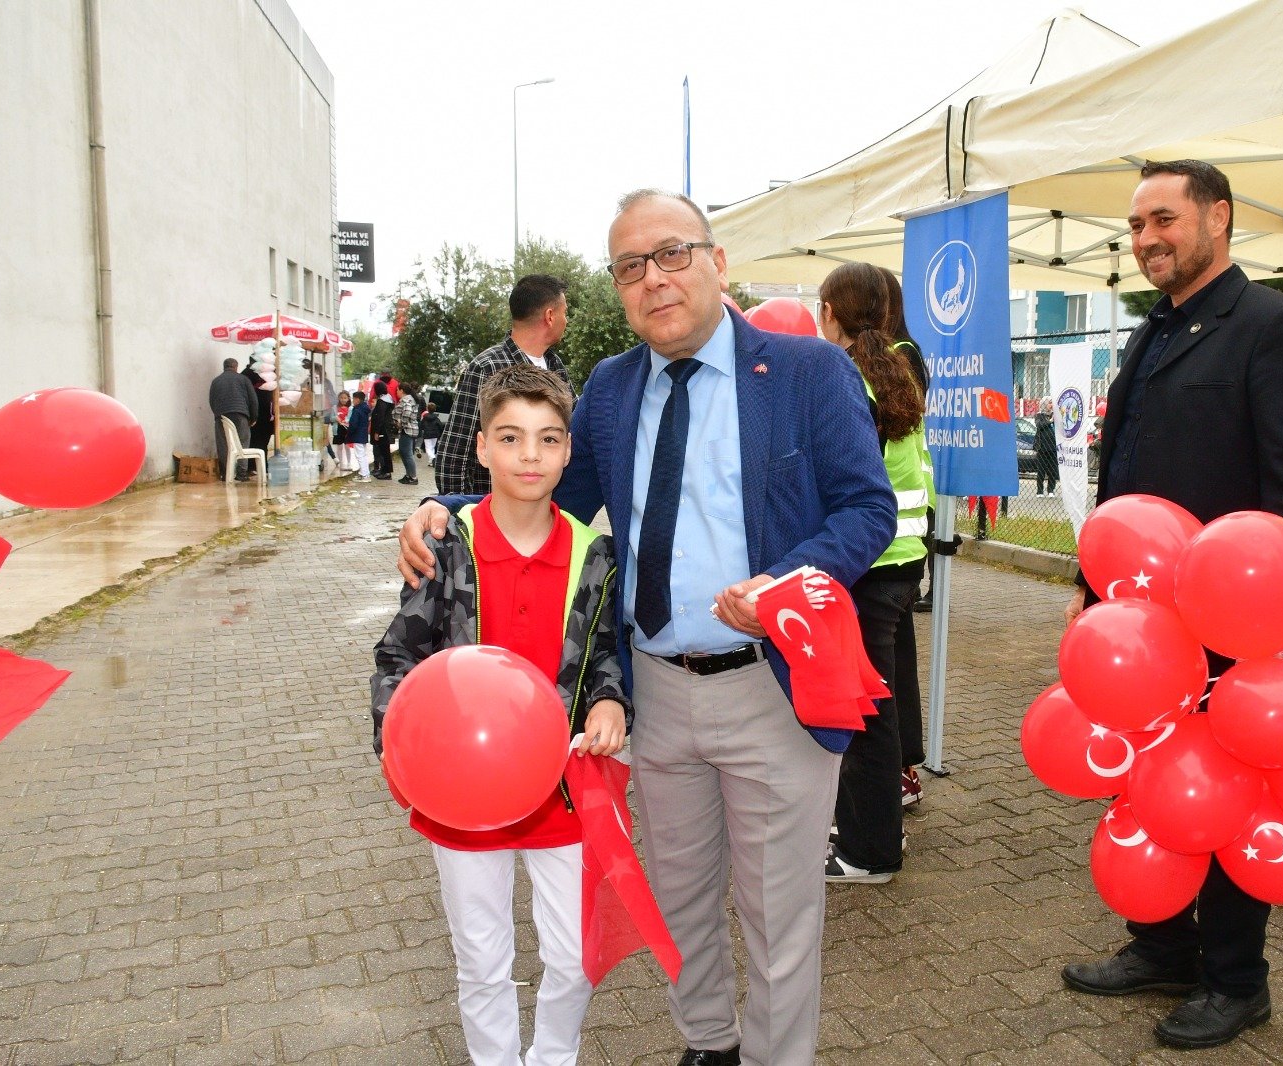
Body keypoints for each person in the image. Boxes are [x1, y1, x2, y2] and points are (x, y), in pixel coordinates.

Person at [399, 189, 896, 1066]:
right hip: (653, 692)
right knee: (676, 899)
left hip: (770, 684)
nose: (654, 279)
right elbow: (561, 501)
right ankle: (707, 1042)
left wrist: (789, 582)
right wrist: (449, 509)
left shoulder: (809, 373)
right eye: (631, 266)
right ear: (619, 288)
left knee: (779, 914)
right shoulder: (612, 388)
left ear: (716, 262)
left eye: (672, 254)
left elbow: (867, 510)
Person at [1060, 159, 1283, 1050]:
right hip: (1138, 626)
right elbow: (1123, 482)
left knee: (1223, 794)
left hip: (1230, 624)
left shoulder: (1277, 326)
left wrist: (1260, 618)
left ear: (1219, 217)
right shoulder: (1154, 331)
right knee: (1151, 783)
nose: (1146, 240)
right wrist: (1089, 591)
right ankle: (1162, 944)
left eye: (1164, 220)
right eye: (1136, 226)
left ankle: (1235, 980)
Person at [372, 364, 629, 1066]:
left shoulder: (594, 554)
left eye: (548, 440)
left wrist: (610, 699)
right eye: (511, 438)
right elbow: (398, 657)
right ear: (481, 447)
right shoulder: (444, 545)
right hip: (463, 800)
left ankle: (551, 1059)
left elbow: (606, 653)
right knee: (482, 962)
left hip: (564, 790)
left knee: (575, 958)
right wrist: (403, 753)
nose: (529, 456)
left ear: (569, 452)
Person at [816, 262, 933, 884]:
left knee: (862, 713)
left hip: (867, 566)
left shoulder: (849, 376)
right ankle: (869, 825)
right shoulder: (894, 368)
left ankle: (870, 850)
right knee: (875, 704)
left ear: (832, 312)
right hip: (898, 561)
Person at [875, 267, 932, 802]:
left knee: (887, 673)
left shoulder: (894, 358)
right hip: (900, 542)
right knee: (896, 665)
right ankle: (902, 770)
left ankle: (897, 774)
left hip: (887, 545)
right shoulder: (902, 354)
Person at [434, 275, 573, 496]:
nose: (567, 321)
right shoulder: (486, 368)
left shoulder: (556, 367)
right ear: (550, 316)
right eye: (565, 313)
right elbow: (455, 453)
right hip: (495, 515)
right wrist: (460, 512)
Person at [208, 357, 258, 481]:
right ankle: (242, 474)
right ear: (236, 367)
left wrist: (218, 414)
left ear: (224, 367)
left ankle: (226, 474)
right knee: (243, 443)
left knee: (223, 444)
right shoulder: (244, 379)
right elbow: (253, 400)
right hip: (241, 414)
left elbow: (211, 400)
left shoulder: (216, 381)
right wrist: (253, 418)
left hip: (222, 416)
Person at [395, 381, 421, 485]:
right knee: (403, 452)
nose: (396, 392)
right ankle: (408, 475)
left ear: (402, 390)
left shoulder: (406, 400)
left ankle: (413, 477)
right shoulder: (410, 399)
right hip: (409, 429)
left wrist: (402, 422)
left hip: (407, 429)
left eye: (397, 390)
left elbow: (407, 411)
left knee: (407, 454)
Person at [370, 377, 395, 480]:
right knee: (385, 451)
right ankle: (384, 470)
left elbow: (380, 417)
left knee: (384, 452)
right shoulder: (388, 399)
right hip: (385, 429)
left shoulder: (382, 402)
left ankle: (386, 472)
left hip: (382, 430)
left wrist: (376, 431)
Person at [1036, 398, 1060, 496]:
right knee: (1041, 470)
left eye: (1052, 403)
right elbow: (1039, 425)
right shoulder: (1039, 415)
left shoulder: (1055, 415)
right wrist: (1050, 421)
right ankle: (1040, 491)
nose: (1051, 405)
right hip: (1042, 448)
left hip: (1053, 448)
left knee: (1052, 470)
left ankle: (1051, 490)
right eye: (1049, 403)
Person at [347, 390, 372, 481]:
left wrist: (349, 431)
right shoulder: (365, 409)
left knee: (359, 455)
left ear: (357, 399)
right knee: (363, 455)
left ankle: (364, 475)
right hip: (363, 434)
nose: (353, 400)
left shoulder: (357, 410)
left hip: (357, 435)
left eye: (353, 398)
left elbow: (353, 423)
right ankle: (365, 473)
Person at [421, 402, 444, 466]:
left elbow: (421, 425)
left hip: (427, 434)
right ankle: (431, 462)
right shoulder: (436, 418)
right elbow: (441, 426)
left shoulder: (425, 418)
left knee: (428, 448)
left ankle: (433, 458)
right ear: (435, 409)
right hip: (435, 435)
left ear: (427, 409)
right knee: (432, 447)